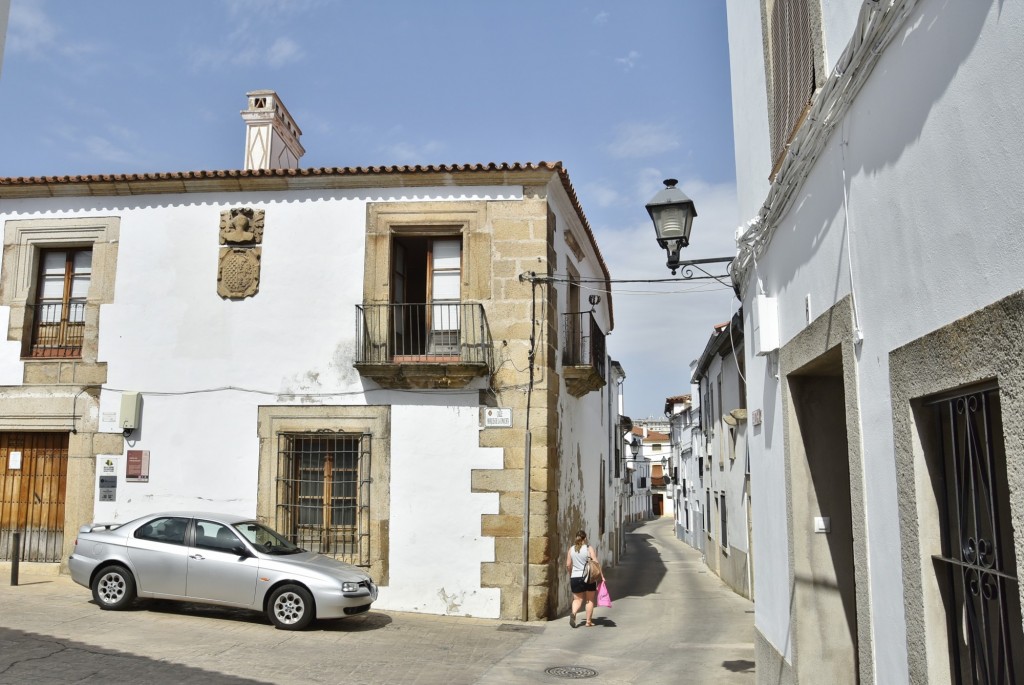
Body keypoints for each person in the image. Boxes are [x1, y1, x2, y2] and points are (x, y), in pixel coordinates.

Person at [566, 529, 599, 627]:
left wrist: (571, 574)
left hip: (575, 577)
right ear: (585, 538)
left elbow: (568, 564)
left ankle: (574, 613)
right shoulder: (589, 549)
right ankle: (588, 621)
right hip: (588, 577)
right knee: (589, 600)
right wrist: (600, 575)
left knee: (577, 600)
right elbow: (596, 563)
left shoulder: (571, 549)